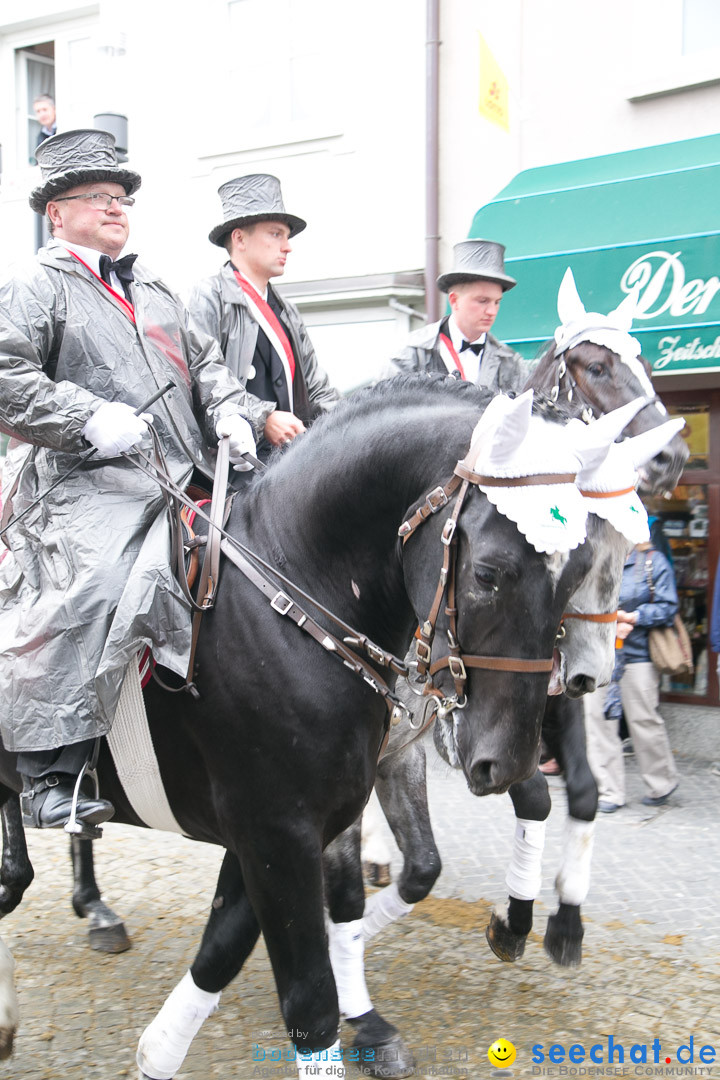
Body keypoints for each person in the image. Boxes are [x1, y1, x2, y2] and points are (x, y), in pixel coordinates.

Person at [0, 128, 263, 831]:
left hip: (183, 470)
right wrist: (86, 416)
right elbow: (6, 373)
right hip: (88, 482)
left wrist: (232, 411)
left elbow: (207, 366)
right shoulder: (35, 284)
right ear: (57, 212)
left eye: (121, 197)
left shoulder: (153, 286)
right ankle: (50, 772)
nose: (117, 208)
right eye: (99, 197)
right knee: (92, 582)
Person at [189, 174, 339, 463]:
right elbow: (203, 379)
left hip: (292, 464)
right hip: (236, 469)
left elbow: (317, 386)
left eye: (286, 236)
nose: (287, 246)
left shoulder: (285, 309)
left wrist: (357, 419)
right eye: (275, 234)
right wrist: (262, 417)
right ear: (240, 238)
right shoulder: (208, 297)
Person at [584, 539, 680, 813]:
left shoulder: (652, 562)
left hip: (638, 656)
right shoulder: (595, 559)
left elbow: (668, 607)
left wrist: (634, 618)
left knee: (644, 720)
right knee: (598, 722)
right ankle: (609, 791)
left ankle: (661, 782)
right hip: (598, 656)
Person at [389, 239, 528, 393]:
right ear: (454, 300)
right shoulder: (411, 353)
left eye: (497, 302)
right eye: (483, 301)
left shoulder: (512, 364)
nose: (492, 311)